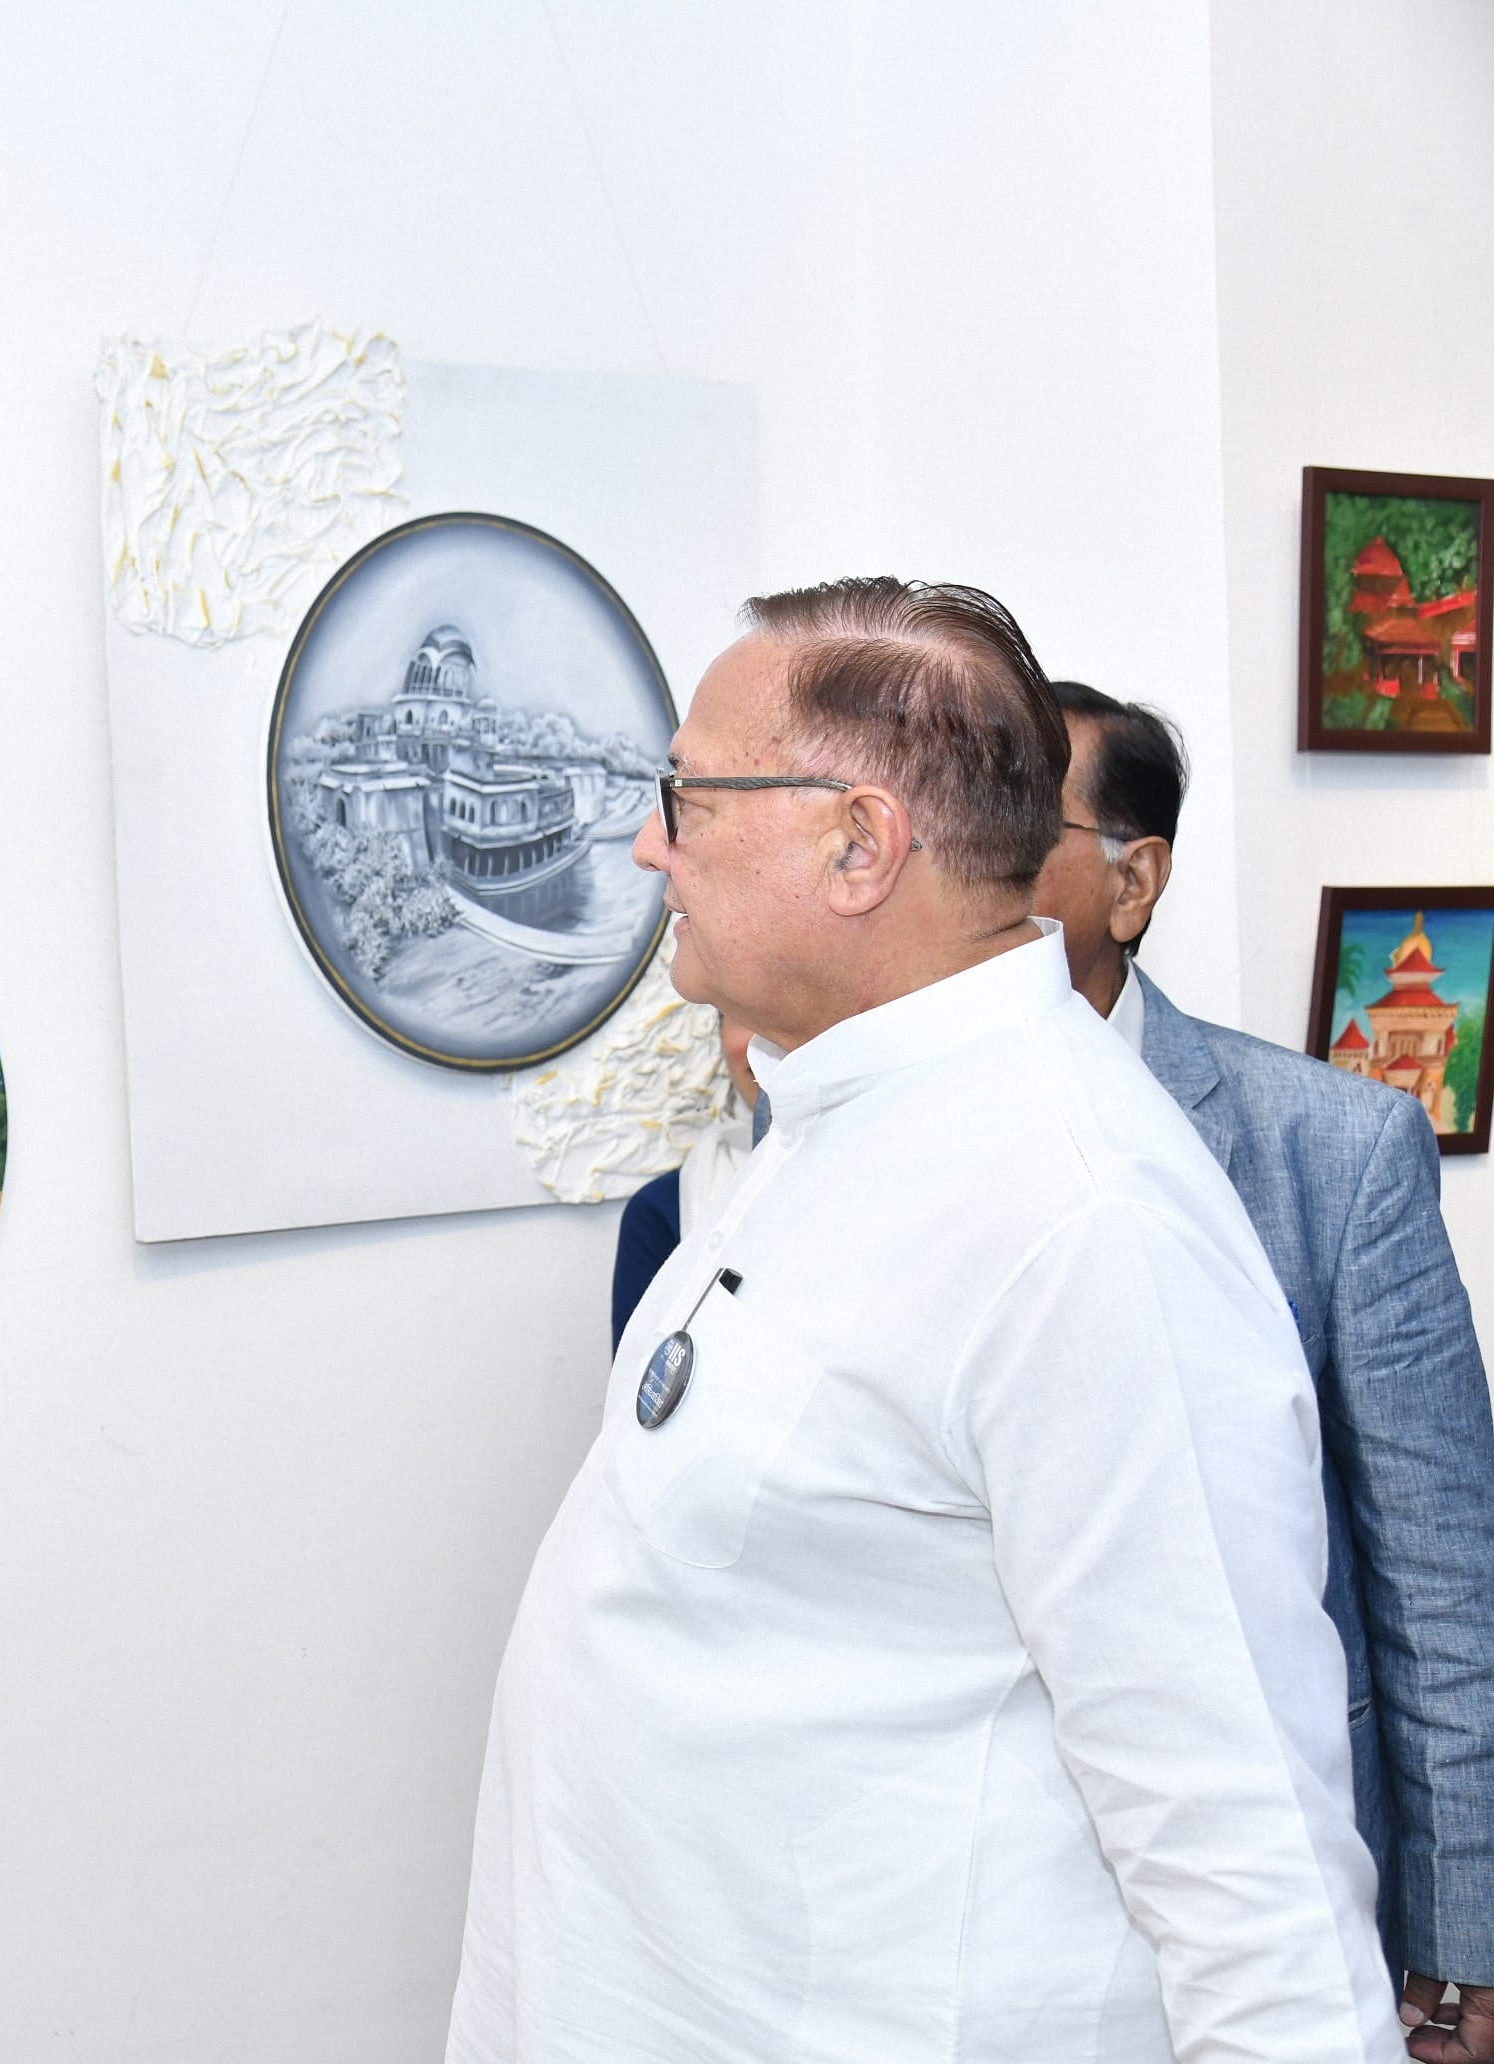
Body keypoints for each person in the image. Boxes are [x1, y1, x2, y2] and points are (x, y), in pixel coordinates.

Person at [448, 579, 1392, 2062]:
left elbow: (1250, 1871)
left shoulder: (1088, 1220)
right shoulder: (827, 1108)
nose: (647, 843)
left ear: (859, 844)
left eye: (687, 797)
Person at [1033, 680, 1494, 2064]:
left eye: (1019, 823)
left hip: (1277, 1896)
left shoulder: (1329, 1153)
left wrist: (1460, 1944)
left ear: (1133, 881)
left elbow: (1440, 1584)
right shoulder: (855, 1144)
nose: (968, 861)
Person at [608, 1020, 760, 1350]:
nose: (764, 1043)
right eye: (742, 1016)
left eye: (782, 1008)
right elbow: (642, 1378)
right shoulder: (659, 1213)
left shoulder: (874, 1183)